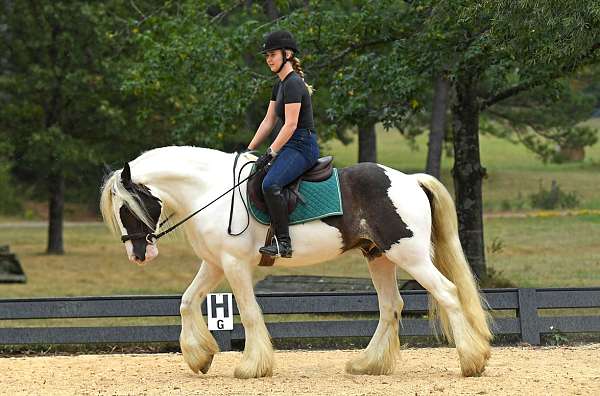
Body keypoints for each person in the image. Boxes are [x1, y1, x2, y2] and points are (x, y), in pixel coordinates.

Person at [247, 30, 319, 258]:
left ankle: (284, 243)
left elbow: (290, 125)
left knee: (271, 184)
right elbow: (268, 122)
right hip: (290, 145)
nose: (269, 59)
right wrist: (248, 150)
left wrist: (270, 152)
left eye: (273, 54)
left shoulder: (294, 84)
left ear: (287, 54)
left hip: (302, 145)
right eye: (266, 55)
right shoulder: (279, 86)